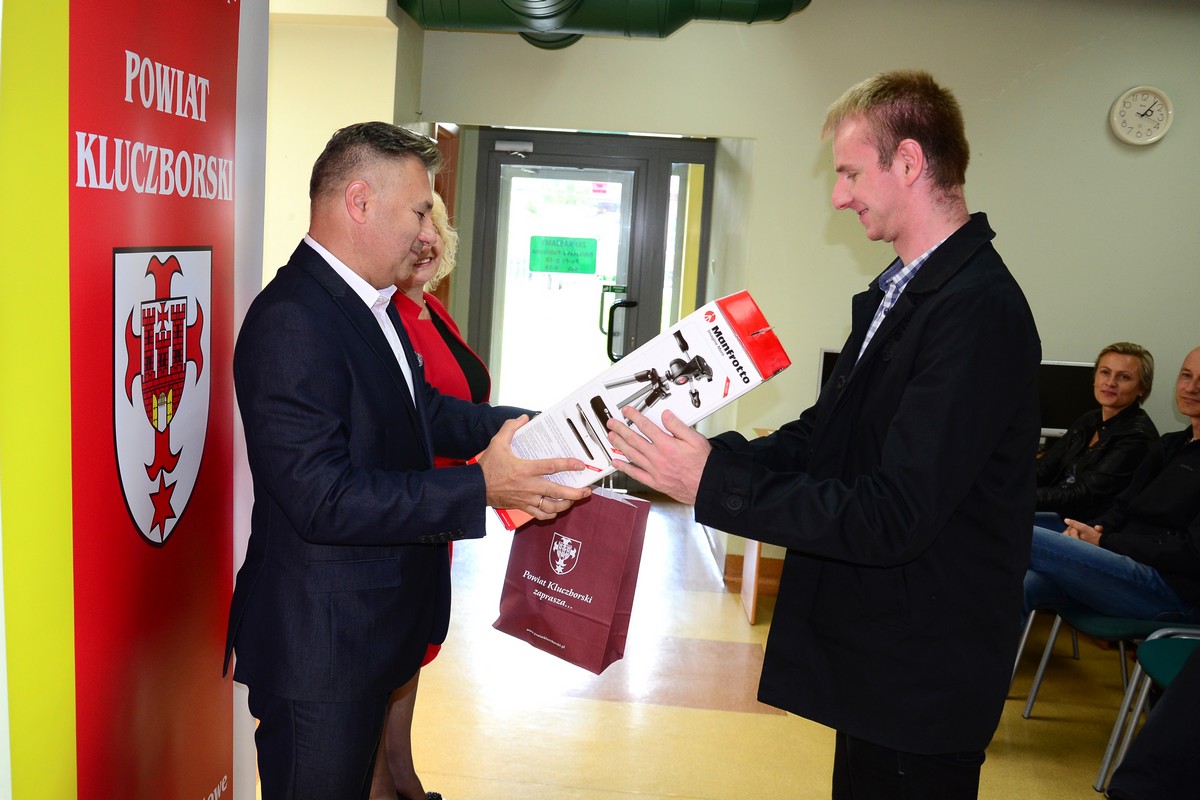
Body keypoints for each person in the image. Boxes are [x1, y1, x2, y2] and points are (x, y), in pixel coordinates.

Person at [605, 70, 1040, 799]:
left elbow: (894, 514)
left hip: (923, 673)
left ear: (908, 161)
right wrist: (706, 459)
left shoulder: (975, 311)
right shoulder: (906, 290)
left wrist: (715, 485)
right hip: (882, 656)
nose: (839, 195)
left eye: (850, 173)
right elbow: (823, 438)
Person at [224, 121, 589, 800]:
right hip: (320, 650)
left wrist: (545, 429)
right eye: (420, 211)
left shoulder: (372, 304)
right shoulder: (293, 319)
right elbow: (322, 499)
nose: (428, 233)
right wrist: (480, 487)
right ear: (359, 202)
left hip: (367, 633)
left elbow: (429, 413)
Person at [369, 192, 484, 800]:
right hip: (412, 504)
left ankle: (401, 771)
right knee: (393, 648)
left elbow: (461, 407)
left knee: (415, 645)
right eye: (416, 222)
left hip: (444, 505)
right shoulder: (383, 316)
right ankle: (384, 784)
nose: (427, 238)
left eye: (434, 222)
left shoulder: (431, 310)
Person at [1024, 347, 1200, 623]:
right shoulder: (1171, 444)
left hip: (1171, 590)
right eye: (1186, 376)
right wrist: (1091, 532)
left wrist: (1103, 541)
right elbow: (1123, 506)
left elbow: (1189, 553)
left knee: (1018, 533)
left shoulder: (1139, 438)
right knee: (1025, 584)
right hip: (1123, 561)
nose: (1191, 387)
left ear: (1142, 389)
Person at [1035, 342, 1158, 525]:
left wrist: (1018, 495)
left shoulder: (1137, 438)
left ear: (1142, 388)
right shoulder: (1090, 419)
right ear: (1095, 378)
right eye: (1105, 372)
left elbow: (1081, 496)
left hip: (1083, 526)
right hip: (1056, 511)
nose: (1110, 383)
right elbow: (1044, 468)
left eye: (1124, 377)